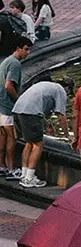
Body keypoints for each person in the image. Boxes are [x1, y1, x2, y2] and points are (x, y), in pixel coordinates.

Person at [12, 75, 71, 187]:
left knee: (29, 143)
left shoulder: (47, 86)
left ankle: (24, 175)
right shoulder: (60, 91)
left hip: (18, 109)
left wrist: (48, 124)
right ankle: (29, 178)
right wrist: (67, 136)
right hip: (31, 112)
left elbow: (37, 102)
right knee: (38, 144)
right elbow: (61, 116)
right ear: (67, 88)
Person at [0, 38, 28, 178]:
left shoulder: (6, 61)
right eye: (26, 49)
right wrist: (18, 101)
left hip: (1, 105)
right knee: (12, 137)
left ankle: (2, 166)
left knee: (2, 135)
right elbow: (9, 85)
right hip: (7, 106)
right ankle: (11, 169)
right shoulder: (15, 64)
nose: (28, 52)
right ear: (18, 48)